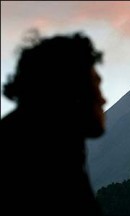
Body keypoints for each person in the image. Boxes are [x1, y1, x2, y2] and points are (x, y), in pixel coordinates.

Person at [1, 31, 106, 215]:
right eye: (95, 86)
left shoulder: (46, 143)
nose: (103, 99)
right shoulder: (42, 158)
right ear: (72, 91)